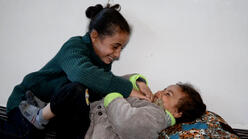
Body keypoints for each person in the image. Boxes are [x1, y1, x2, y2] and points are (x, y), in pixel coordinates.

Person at [0, 4, 152, 139]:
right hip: (28, 104)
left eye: (121, 49)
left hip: (52, 115)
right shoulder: (75, 46)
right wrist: (128, 89)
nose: (118, 54)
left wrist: (137, 81)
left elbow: (107, 82)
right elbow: (81, 74)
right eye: (115, 46)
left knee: (84, 105)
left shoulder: (103, 63)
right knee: (78, 90)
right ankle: (37, 118)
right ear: (94, 36)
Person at [84, 75, 206, 139]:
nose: (160, 92)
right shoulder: (152, 104)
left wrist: (113, 97)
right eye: (164, 89)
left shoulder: (158, 117)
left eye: (168, 94)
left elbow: (127, 122)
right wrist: (139, 82)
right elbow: (118, 81)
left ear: (178, 113)